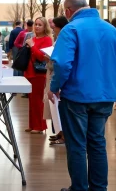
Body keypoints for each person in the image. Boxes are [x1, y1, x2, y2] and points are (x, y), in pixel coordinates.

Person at [48, 0, 116, 191]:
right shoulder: (113, 31)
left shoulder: (71, 29)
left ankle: (79, 187)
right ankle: (99, 188)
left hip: (76, 96)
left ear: (68, 11)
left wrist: (55, 87)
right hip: (104, 97)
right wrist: (106, 79)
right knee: (97, 143)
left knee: (77, 145)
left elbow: (62, 63)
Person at [24, 17, 53, 134]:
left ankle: (39, 125)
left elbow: (41, 56)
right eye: (36, 24)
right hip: (29, 72)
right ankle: (32, 124)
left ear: (44, 26)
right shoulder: (32, 38)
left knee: (37, 100)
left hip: (39, 73)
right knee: (31, 100)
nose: (36, 26)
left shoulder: (47, 40)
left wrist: (32, 46)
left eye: (40, 25)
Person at [43, 16, 68, 145]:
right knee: (54, 108)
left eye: (55, 28)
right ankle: (59, 132)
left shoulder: (63, 39)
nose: (54, 30)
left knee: (57, 108)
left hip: (56, 76)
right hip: (53, 74)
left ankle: (63, 135)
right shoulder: (60, 38)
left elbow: (61, 62)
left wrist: (50, 60)